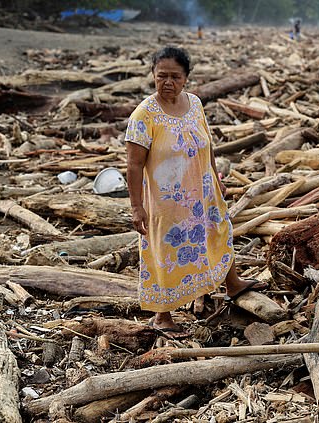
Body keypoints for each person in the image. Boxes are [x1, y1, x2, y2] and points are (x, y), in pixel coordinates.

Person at [125, 46, 267, 337]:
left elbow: (207, 145)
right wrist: (137, 207)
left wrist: (215, 177)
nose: (167, 82)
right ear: (152, 76)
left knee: (219, 232)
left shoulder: (195, 104)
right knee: (165, 251)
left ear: (186, 78)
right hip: (168, 201)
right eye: (161, 75)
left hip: (203, 191)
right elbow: (134, 165)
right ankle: (163, 315)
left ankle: (233, 283)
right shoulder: (144, 115)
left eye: (175, 77)